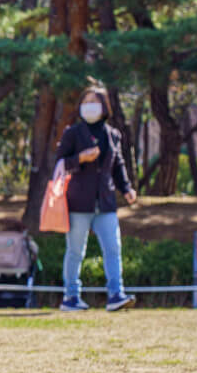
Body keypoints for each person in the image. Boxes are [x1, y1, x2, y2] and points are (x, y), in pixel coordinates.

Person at [55, 84, 138, 312]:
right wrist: (80, 158)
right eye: (86, 101)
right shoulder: (73, 133)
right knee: (75, 251)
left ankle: (115, 295)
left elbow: (118, 165)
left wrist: (127, 188)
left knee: (113, 249)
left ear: (104, 107)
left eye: (95, 101)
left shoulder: (112, 135)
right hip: (78, 203)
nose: (89, 106)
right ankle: (70, 297)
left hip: (106, 203)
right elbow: (60, 162)